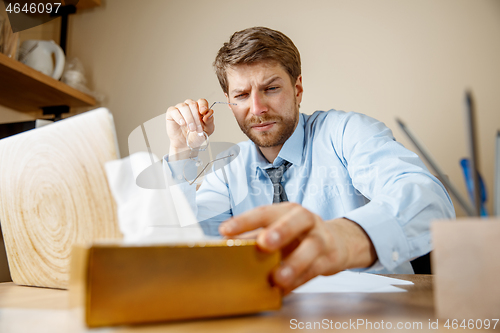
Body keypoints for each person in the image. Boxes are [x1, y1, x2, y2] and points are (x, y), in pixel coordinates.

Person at [164, 26, 455, 294]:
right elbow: (180, 247)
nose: (257, 109)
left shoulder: (346, 133)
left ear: (298, 89)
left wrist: (343, 237)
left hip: (374, 313)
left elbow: (427, 199)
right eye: (241, 95)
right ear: (229, 102)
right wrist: (182, 152)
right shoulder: (229, 168)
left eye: (271, 88)